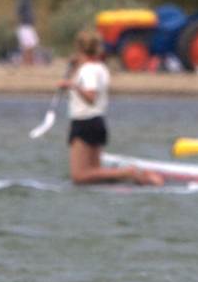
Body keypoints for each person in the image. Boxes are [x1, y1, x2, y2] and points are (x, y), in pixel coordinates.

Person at [57, 30, 163, 186]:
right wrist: (74, 69)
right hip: (97, 121)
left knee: (79, 176)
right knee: (94, 173)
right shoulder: (99, 68)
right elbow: (84, 80)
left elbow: (91, 97)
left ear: (79, 48)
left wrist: (71, 85)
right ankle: (139, 177)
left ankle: (129, 172)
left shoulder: (88, 71)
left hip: (84, 122)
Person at [15, 0, 40, 66]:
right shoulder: (24, 0)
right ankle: (26, 62)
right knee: (27, 45)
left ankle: (30, 62)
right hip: (24, 25)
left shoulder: (28, 1)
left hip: (28, 25)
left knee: (32, 44)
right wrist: (21, 21)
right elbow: (19, 11)